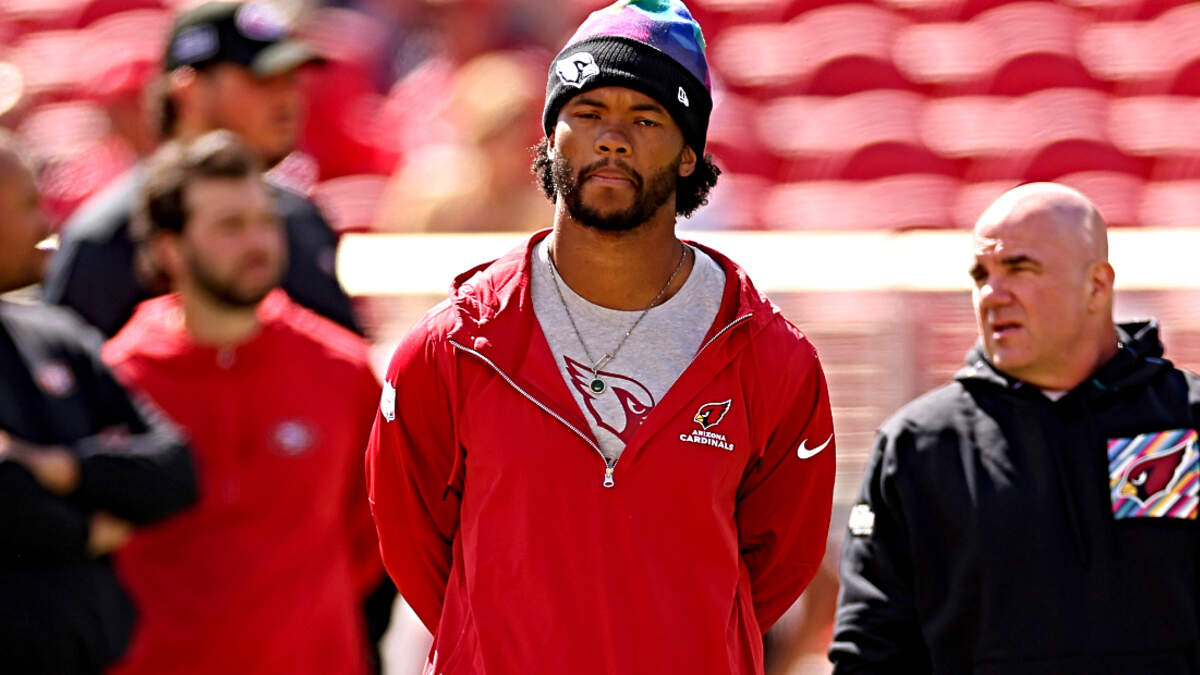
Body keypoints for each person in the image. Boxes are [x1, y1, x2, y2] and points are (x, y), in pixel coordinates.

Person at [366, 1, 836, 672]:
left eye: (646, 118)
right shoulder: (453, 346)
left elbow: (777, 565)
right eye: (587, 112)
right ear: (550, 135)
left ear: (689, 153)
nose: (612, 138)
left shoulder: (771, 356)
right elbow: (415, 546)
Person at [830, 183, 1200, 673]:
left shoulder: (1187, 421)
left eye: (1019, 269)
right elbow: (872, 650)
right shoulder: (920, 445)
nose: (992, 295)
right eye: (981, 275)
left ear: (1096, 285)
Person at [102, 131, 384, 675]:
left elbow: (373, 535)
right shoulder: (118, 378)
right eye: (230, 226)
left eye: (264, 221)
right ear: (168, 249)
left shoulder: (341, 369)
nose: (257, 242)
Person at [43, 0, 361, 338]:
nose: (288, 97)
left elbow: (342, 360)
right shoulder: (108, 238)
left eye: (292, 78)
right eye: (263, 78)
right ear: (189, 91)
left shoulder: (301, 218)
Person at [0, 133, 196, 673]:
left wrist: (61, 469)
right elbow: (7, 499)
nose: (46, 225)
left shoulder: (53, 333)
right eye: (27, 205)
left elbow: (174, 467)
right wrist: (88, 531)